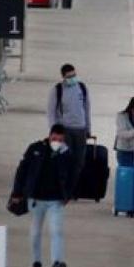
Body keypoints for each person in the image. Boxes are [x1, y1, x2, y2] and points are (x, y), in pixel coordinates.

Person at [11, 124, 74, 267]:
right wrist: (17, 192)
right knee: (35, 233)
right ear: (49, 135)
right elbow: (22, 170)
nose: (56, 141)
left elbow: (73, 175)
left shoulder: (67, 154)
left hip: (56, 201)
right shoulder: (36, 149)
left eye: (60, 139)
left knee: (56, 231)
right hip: (35, 199)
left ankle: (57, 262)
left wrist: (68, 194)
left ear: (64, 139)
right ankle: (36, 262)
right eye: (54, 138)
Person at [47, 63, 92, 193]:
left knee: (79, 162)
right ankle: (62, 188)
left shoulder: (82, 88)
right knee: (64, 160)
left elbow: (87, 109)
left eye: (74, 75)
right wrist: (53, 131)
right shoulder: (57, 90)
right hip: (65, 130)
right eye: (69, 76)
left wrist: (88, 128)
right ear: (63, 77)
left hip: (81, 129)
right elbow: (51, 111)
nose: (72, 78)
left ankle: (71, 189)